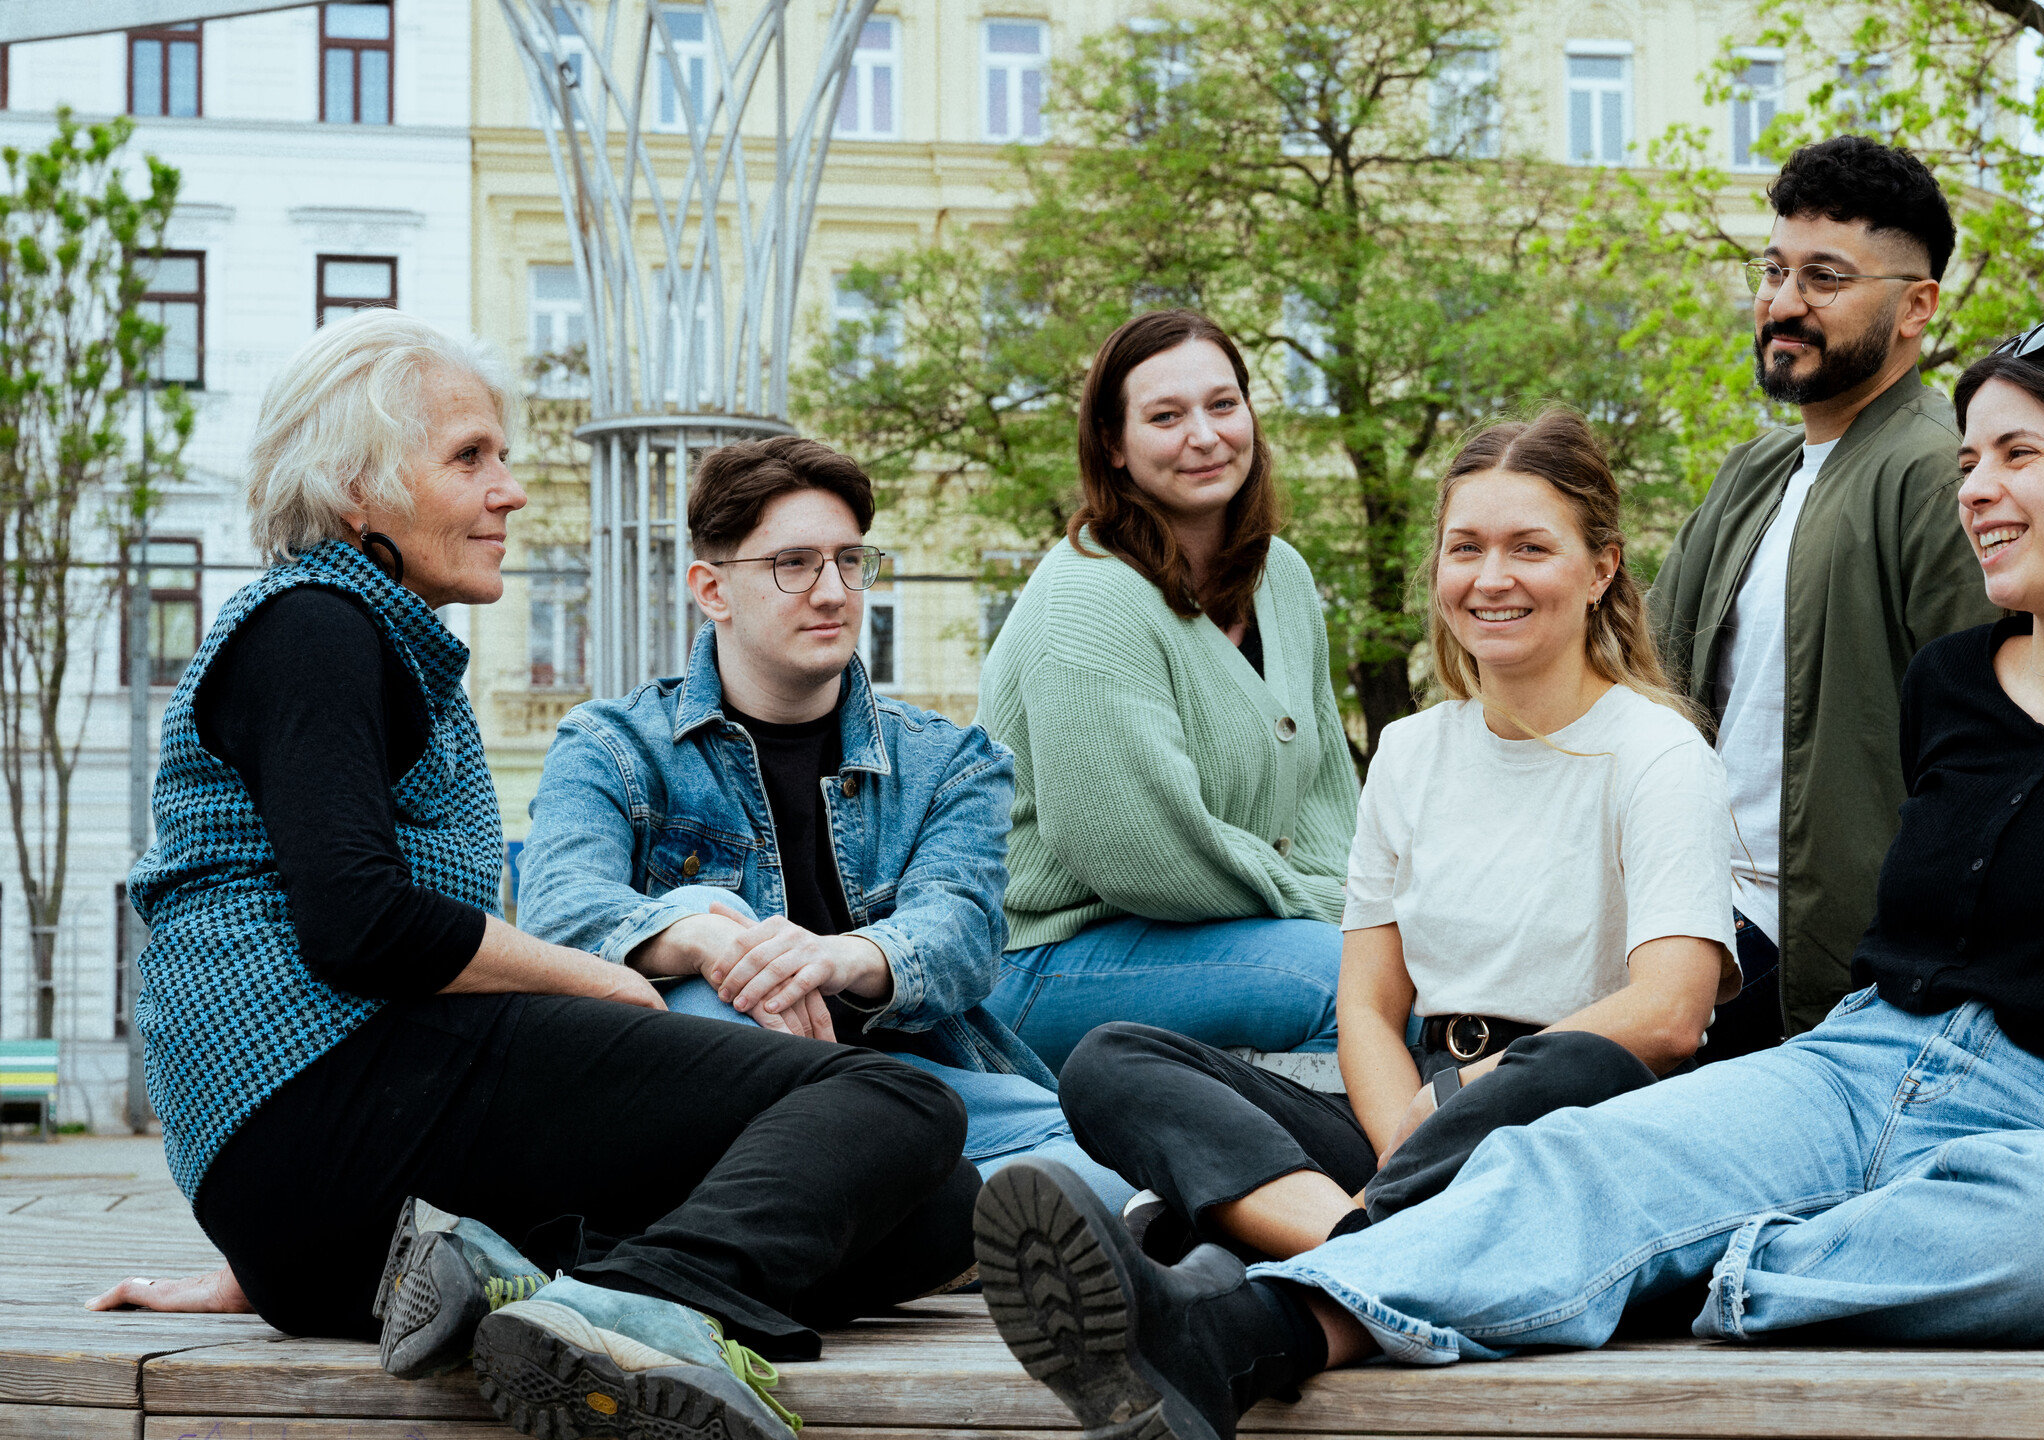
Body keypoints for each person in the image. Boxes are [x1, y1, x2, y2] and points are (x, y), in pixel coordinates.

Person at [968, 316, 2044, 1440]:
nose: (1977, 487)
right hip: (1853, 1062)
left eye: (2018, 454)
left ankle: (1655, 1273)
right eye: (1969, 459)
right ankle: (1229, 1339)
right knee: (1582, 1160)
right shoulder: (1953, 684)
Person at [103, 312, 973, 1440]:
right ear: (358, 489)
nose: (509, 491)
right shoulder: (312, 625)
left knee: (933, 1213)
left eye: (501, 457)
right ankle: (633, 1311)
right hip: (329, 1110)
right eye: (469, 458)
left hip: (343, 1201)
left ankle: (515, 1292)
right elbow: (355, 922)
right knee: (897, 1100)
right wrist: (595, 977)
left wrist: (275, 1250)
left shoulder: (368, 636)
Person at [1059, 409, 1736, 1262]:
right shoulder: (1411, 752)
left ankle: (1270, 1232)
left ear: (1602, 569)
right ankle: (1366, 1240)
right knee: (1111, 1062)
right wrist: (1400, 1147)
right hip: (1411, 1111)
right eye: (1466, 548)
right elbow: (1369, 1009)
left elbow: (1670, 1014)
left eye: (1530, 548)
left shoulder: (1658, 752)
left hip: (1572, 1119)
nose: (1492, 578)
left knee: (1577, 1062)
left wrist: (1454, 1103)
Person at [516, 434, 1131, 1208]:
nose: (834, 592)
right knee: (705, 936)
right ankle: (908, 1207)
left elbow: (963, 935)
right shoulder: (613, 745)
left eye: (848, 561)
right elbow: (557, 909)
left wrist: (835, 958)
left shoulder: (951, 760)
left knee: (1115, 1166)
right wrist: (707, 939)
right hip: (710, 1081)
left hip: (910, 1092)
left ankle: (889, 1204)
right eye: (795, 564)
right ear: (712, 590)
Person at [1650, 136, 2002, 1056]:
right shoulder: (1752, 473)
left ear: (1917, 305)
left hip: (1829, 973)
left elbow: (1990, 753)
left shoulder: (1943, 472)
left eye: (1825, 278)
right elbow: (1638, 677)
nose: (1783, 304)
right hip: (1686, 926)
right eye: (1774, 271)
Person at [976, 310, 1361, 1070]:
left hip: (1220, 933)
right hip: (1047, 956)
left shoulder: (1282, 575)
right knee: (1351, 984)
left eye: (1223, 405)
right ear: (1113, 446)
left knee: (1406, 971)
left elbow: (1323, 799)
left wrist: (1363, 909)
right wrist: (1334, 914)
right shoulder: (1091, 597)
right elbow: (1137, 852)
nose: (1205, 436)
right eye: (1165, 417)